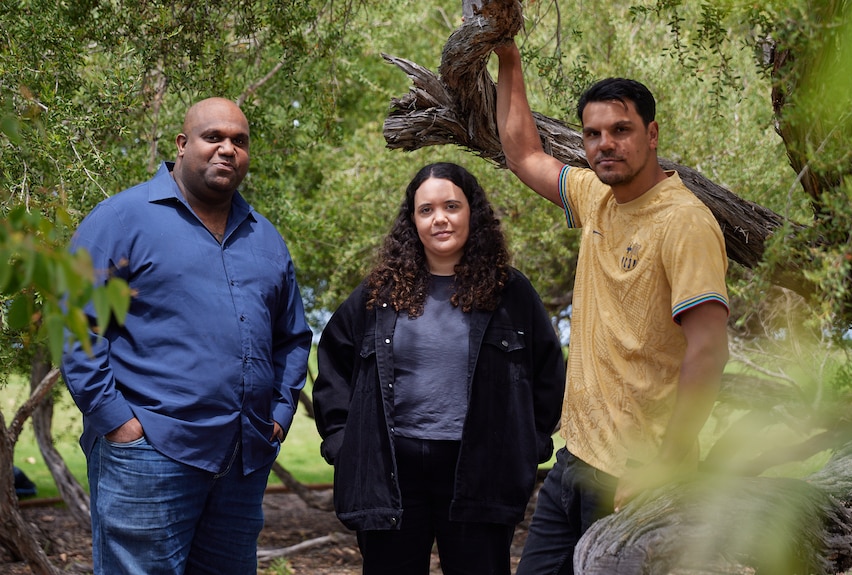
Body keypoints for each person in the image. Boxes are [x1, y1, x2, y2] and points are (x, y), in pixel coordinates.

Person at [494, 41, 731, 574]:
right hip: (574, 460)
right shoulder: (596, 196)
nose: (606, 144)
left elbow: (710, 349)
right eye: (593, 134)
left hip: (638, 474)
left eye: (621, 130)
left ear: (651, 135)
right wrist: (508, 53)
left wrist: (666, 462)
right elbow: (522, 153)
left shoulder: (684, 223)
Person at [61, 97, 312, 575]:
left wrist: (277, 416)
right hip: (149, 455)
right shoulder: (120, 220)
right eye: (213, 137)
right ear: (181, 144)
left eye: (239, 141)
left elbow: (293, 337)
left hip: (242, 459)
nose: (227, 150)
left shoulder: (265, 238)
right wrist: (119, 423)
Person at [313, 162, 566, 575]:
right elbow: (334, 366)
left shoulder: (511, 292)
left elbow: (548, 375)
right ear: (412, 220)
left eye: (452, 206)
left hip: (481, 471)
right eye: (426, 210)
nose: (440, 219)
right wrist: (344, 443)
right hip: (393, 470)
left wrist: (527, 446)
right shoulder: (380, 293)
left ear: (473, 213)